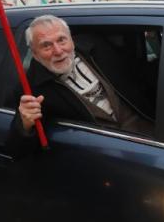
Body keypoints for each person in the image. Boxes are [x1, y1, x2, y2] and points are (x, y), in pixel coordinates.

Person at [10, 15, 154, 153]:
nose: (58, 51)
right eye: (46, 46)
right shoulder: (31, 89)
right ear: (35, 54)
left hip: (152, 134)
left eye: (61, 40)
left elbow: (137, 74)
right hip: (107, 155)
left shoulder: (97, 48)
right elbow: (18, 150)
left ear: (71, 40)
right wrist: (25, 125)